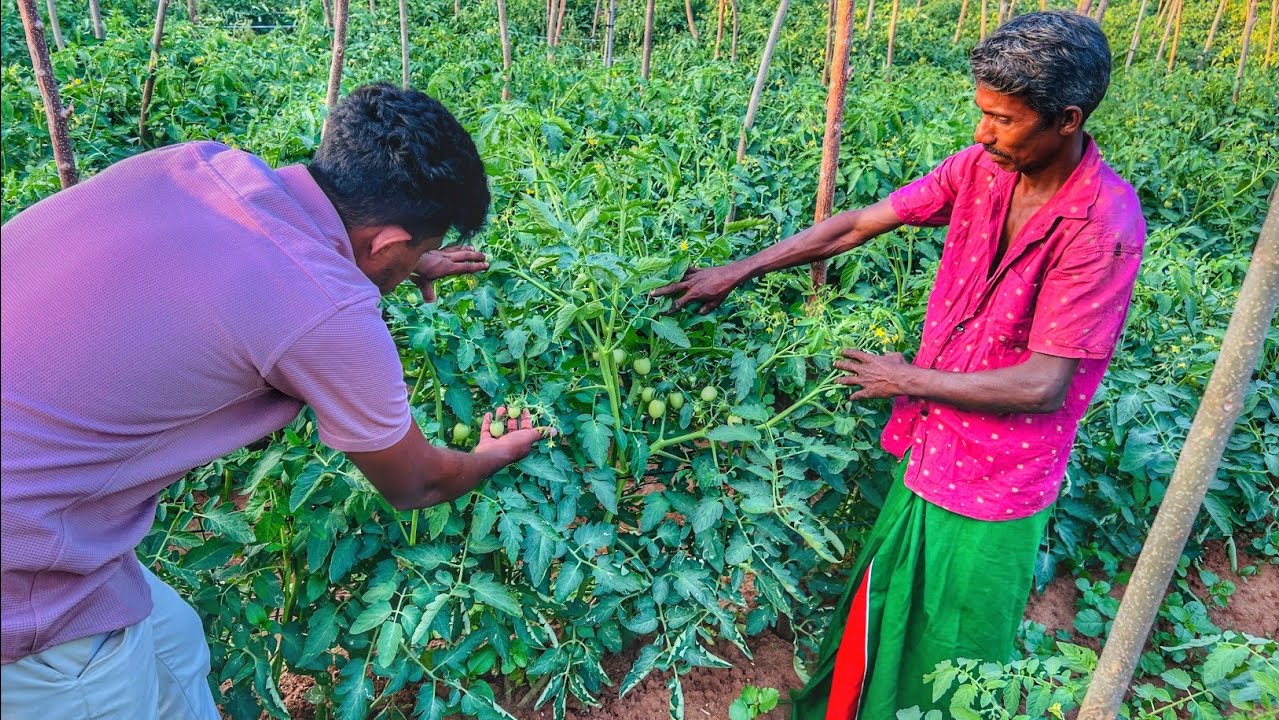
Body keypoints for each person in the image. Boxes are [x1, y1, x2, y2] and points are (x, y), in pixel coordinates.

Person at [0, 83, 549, 718]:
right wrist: (493, 453)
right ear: (387, 242)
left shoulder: (198, 163)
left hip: (34, 485)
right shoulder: (329, 312)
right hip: (22, 568)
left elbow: (278, 257)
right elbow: (417, 483)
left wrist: (398, 261)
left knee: (174, 642)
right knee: (97, 683)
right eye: (417, 251)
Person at [653, 12, 1144, 718]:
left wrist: (902, 378)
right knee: (883, 603)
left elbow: (1043, 385)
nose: (982, 132)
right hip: (933, 443)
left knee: (958, 650)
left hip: (1000, 476)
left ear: (1067, 120)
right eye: (982, 113)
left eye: (1003, 120)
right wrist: (741, 269)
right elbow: (858, 223)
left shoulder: (1101, 226)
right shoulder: (980, 171)